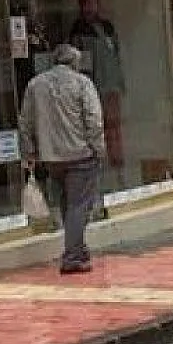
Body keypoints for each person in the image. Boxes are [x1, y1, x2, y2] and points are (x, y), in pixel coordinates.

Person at [20, 44, 106, 273]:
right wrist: (99, 149)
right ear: (74, 63)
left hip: (51, 158)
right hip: (80, 154)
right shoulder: (82, 83)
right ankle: (72, 256)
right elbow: (94, 121)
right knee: (80, 205)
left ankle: (77, 246)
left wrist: (29, 152)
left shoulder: (35, 85)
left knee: (68, 203)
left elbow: (25, 122)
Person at [70, 0, 125, 169]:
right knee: (96, 124)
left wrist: (120, 81)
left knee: (114, 123)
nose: (91, 8)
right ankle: (99, 159)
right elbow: (78, 61)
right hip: (93, 85)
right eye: (87, 4)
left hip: (111, 84)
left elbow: (116, 55)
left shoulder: (107, 27)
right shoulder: (78, 30)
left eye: (94, 3)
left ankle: (116, 157)